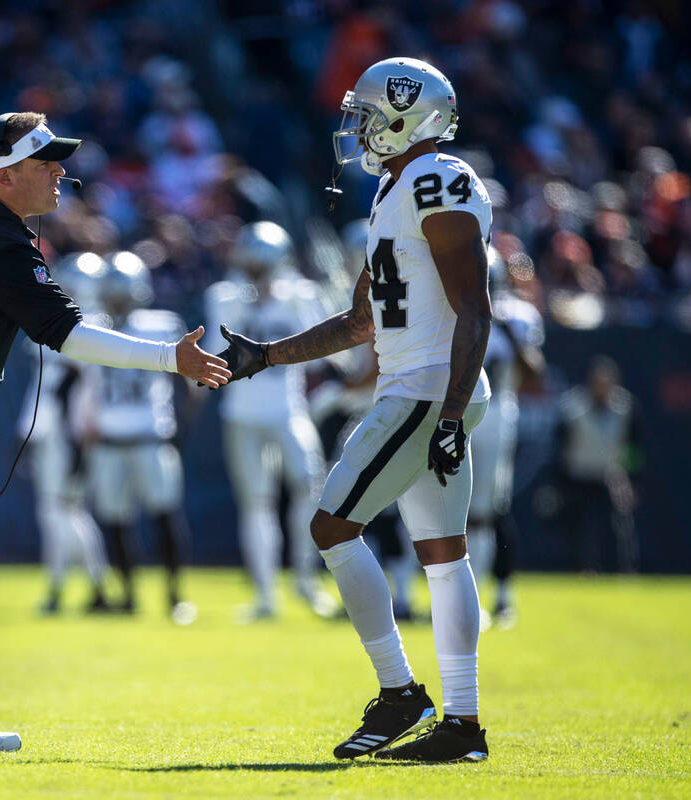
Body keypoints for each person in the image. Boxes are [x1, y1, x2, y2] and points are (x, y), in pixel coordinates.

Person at [0, 111, 229, 751]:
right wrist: (170, 357)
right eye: (45, 160)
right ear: (3, 174)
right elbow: (67, 333)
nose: (61, 171)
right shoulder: (0, 240)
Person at [215, 57, 493, 762]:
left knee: (332, 526)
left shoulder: (437, 179)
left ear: (407, 116)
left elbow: (475, 310)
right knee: (442, 554)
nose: (359, 129)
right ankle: (462, 725)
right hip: (425, 389)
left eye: (368, 116)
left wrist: (453, 414)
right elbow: (357, 323)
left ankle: (400, 691)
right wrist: (267, 354)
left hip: (427, 389)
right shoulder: (398, 189)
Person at [204, 221, 335, 621]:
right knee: (256, 504)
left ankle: (306, 580)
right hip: (243, 414)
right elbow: (214, 353)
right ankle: (265, 595)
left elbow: (326, 346)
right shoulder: (225, 296)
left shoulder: (299, 294)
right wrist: (246, 306)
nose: (257, 269)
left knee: (309, 491)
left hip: (288, 410)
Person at [80, 251, 197, 624]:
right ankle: (127, 594)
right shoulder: (91, 324)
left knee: (165, 516)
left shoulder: (158, 324)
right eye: (110, 293)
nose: (115, 301)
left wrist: (178, 426)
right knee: (115, 520)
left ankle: (175, 596)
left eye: (120, 293)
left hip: (151, 437)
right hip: (111, 440)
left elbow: (188, 384)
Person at [20, 251, 111, 616]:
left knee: (58, 511)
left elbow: (70, 388)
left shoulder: (85, 323)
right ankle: (87, 586)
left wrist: (68, 436)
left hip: (64, 431)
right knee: (66, 511)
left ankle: (77, 585)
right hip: (60, 429)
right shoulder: (91, 320)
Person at [467, 246, 545, 627]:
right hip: (453, 415)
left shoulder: (516, 316)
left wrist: (508, 332)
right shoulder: (446, 308)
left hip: (495, 416)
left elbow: (534, 373)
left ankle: (477, 599)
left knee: (484, 512)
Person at [554, 356, 642, 573]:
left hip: (609, 476)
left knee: (616, 528)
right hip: (577, 475)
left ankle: (620, 571)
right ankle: (581, 570)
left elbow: (633, 447)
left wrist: (632, 479)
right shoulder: (573, 407)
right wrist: (558, 481)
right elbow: (559, 446)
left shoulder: (624, 407)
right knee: (579, 529)